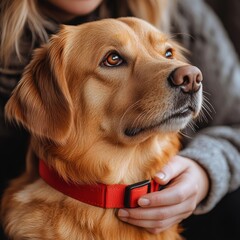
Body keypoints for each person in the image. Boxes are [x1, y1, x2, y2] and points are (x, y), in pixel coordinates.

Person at [0, 0, 240, 239]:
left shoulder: (181, 10)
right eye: (113, 59)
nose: (179, 71)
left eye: (167, 53)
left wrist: (204, 171)